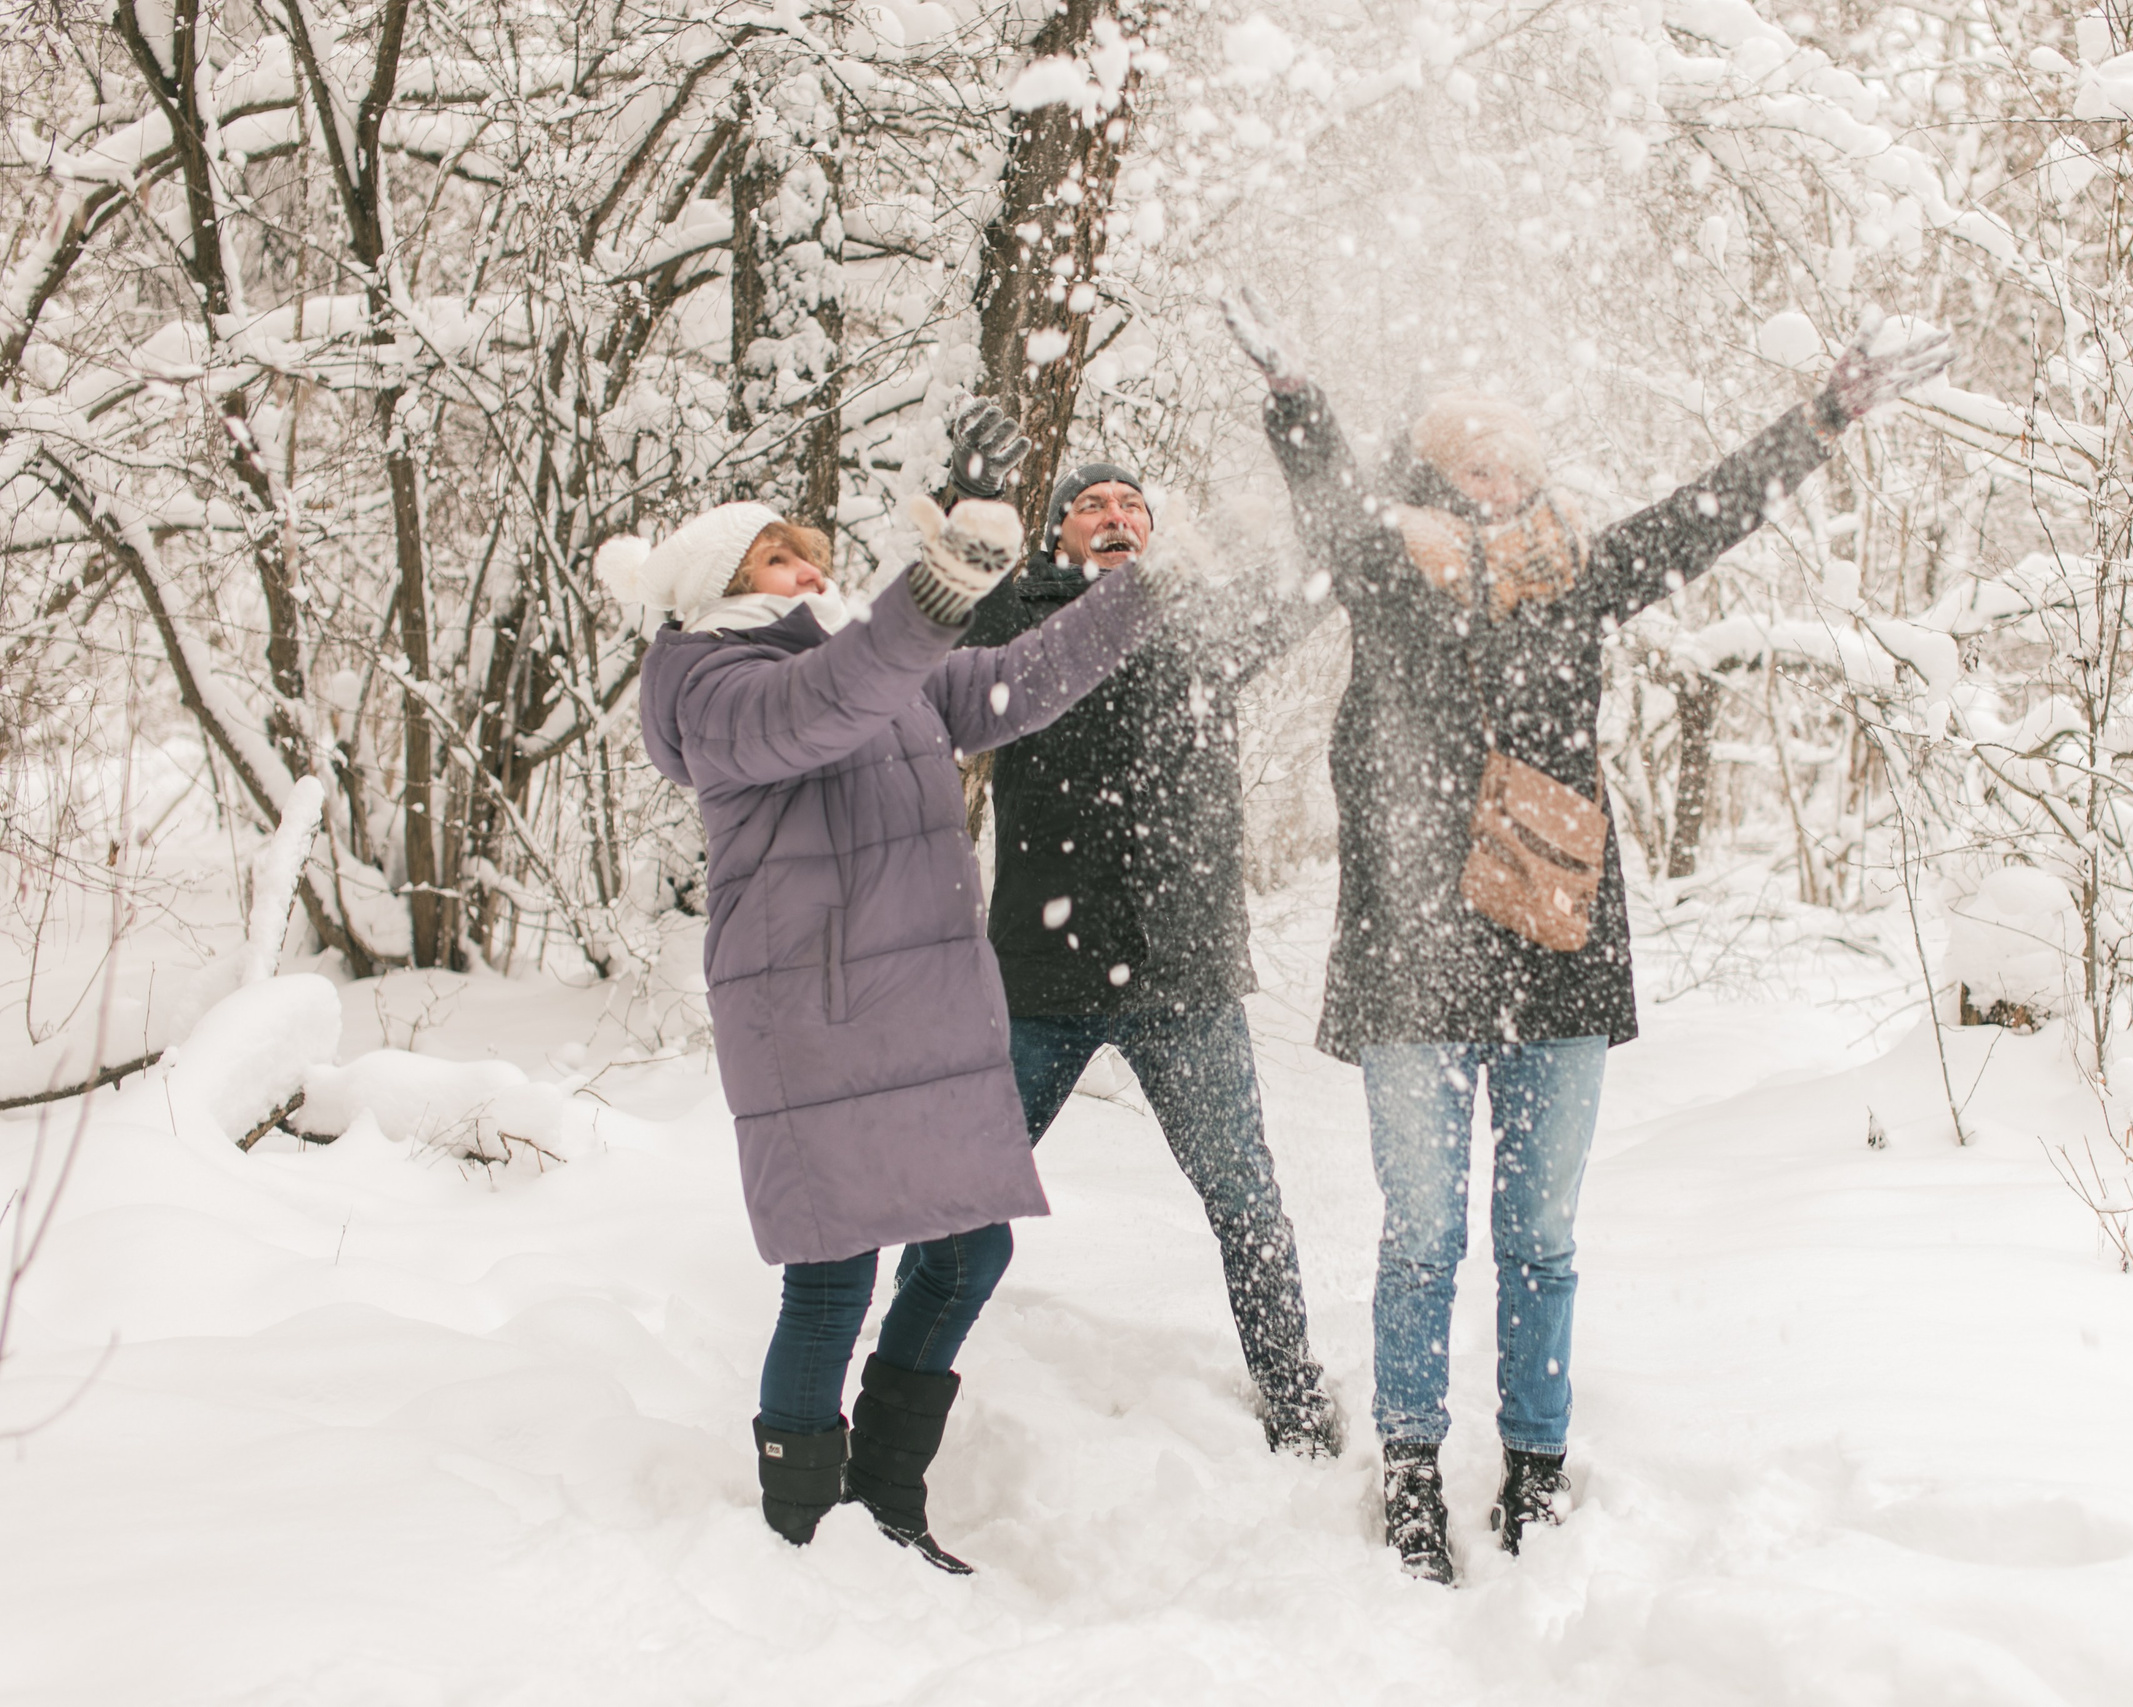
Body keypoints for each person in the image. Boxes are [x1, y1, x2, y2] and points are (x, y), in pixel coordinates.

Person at [1222, 291, 1952, 1581]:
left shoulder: (1580, 576)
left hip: (1557, 953)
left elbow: (1705, 515)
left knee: (1542, 1242)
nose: (1493, 475)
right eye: (1467, 459)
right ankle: (1407, 1470)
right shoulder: (1391, 574)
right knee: (1423, 1239)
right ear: (1433, 476)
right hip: (1417, 960)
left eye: (1509, 456)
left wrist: (1824, 415)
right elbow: (1328, 505)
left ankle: (1536, 1471)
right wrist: (1297, 402)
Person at [621, 488, 1175, 1573]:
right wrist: (937, 592)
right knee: (831, 1275)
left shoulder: (863, 659)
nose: (807, 571)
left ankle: (883, 1501)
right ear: (719, 585)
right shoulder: (711, 685)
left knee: (970, 1248)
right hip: (814, 1017)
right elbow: (829, 700)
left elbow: (1018, 682)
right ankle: (803, 1532)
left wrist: (1145, 589)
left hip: (917, 1009)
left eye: (810, 554)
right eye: (779, 559)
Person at [929, 402, 1342, 1453]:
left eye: (1132, 505)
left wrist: (1308, 447)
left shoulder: (1198, 617)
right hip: (1039, 974)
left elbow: (1323, 562)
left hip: (1184, 975)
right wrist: (957, 494)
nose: (1114, 515)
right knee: (961, 1193)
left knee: (1243, 1196)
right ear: (1058, 533)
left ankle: (1293, 1400)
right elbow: (929, 616)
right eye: (1091, 505)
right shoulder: (1016, 619)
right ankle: (898, 1384)